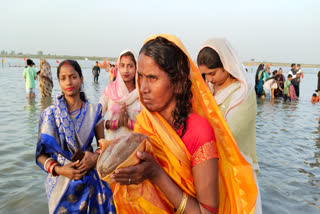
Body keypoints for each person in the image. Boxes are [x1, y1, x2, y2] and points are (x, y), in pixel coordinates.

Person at [110, 35, 257, 213]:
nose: (143, 88)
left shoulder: (198, 132)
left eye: (152, 78)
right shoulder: (145, 122)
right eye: (140, 77)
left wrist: (156, 174)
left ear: (178, 83)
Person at [35, 60, 116, 214]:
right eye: (63, 78)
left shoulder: (94, 111)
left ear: (81, 79)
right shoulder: (50, 114)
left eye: (73, 77)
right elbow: (40, 155)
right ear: (58, 81)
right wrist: (59, 169)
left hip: (90, 182)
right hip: (61, 184)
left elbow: (103, 145)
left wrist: (94, 157)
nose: (68, 82)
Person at [197, 38, 262, 214]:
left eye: (212, 73)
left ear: (226, 65)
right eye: (205, 75)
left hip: (237, 172)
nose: (209, 79)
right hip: (212, 170)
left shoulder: (243, 93)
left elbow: (230, 136)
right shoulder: (210, 89)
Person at [99, 50, 141, 140]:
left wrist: (128, 123)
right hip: (111, 147)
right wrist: (115, 124)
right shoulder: (110, 90)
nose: (126, 70)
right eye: (122, 66)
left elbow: (149, 126)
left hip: (135, 147)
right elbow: (97, 118)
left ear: (136, 68)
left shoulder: (141, 93)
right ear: (118, 67)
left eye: (130, 66)